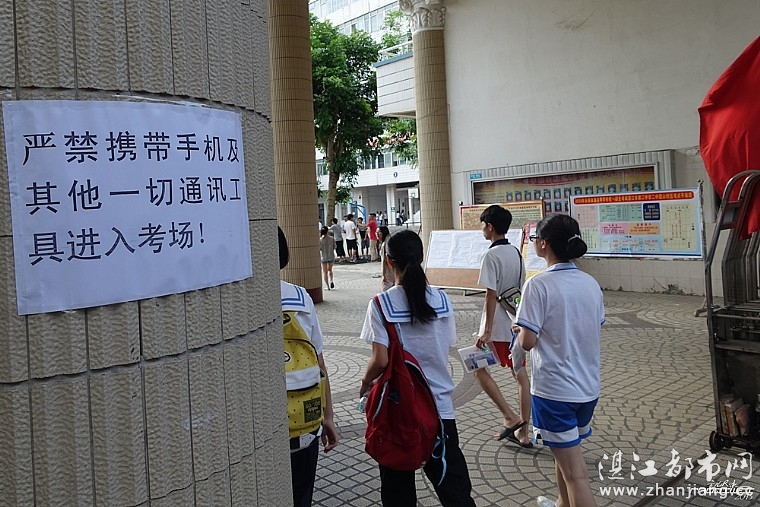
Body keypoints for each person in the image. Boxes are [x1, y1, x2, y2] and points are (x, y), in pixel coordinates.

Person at [359, 230, 476, 507]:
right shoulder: (442, 300)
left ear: (389, 261)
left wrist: (365, 382)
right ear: (421, 258)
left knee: (397, 493)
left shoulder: (381, 304)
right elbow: (446, 343)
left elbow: (381, 360)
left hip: (399, 412)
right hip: (440, 411)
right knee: (455, 492)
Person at [514, 215, 604, 507]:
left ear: (544, 244)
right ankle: (562, 503)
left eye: (534, 239)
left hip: (554, 392)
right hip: (587, 389)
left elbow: (527, 342)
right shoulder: (590, 283)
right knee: (563, 451)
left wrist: (520, 330)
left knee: (577, 474)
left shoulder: (538, 285)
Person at [279, 227, 339, 507]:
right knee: (301, 494)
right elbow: (319, 361)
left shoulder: (234, 301)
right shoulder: (301, 297)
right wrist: (328, 416)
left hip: (257, 429)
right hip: (304, 419)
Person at [474, 205, 532, 447]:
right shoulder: (516, 253)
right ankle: (524, 433)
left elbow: (490, 294)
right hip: (515, 322)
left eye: (483, 225)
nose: (482, 229)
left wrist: (486, 330)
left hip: (496, 324)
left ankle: (509, 416)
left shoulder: (491, 256)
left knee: (477, 367)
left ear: (490, 226)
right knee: (520, 374)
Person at [376, 225, 393, 292]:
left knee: (387, 292)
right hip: (394, 272)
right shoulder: (389, 241)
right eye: (376, 232)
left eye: (379, 232)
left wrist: (383, 275)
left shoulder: (385, 244)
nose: (377, 234)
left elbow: (384, 261)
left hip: (388, 273)